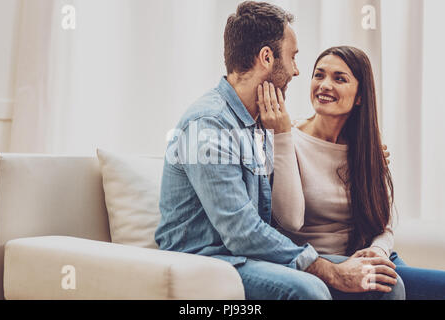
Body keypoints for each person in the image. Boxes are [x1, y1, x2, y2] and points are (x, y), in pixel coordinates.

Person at [155, 1, 405, 300]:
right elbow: (241, 232)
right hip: (211, 260)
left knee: (381, 285)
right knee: (309, 289)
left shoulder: (257, 123)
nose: (297, 71)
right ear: (266, 57)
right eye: (293, 57)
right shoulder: (208, 125)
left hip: (251, 257)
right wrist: (327, 269)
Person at [262, 45, 445, 300]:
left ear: (360, 96)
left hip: (368, 254)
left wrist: (378, 252)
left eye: (339, 78)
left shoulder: (367, 148)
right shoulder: (286, 139)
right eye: (319, 75)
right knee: (387, 289)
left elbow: (384, 222)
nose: (325, 85)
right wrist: (280, 137)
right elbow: (288, 219)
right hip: (320, 262)